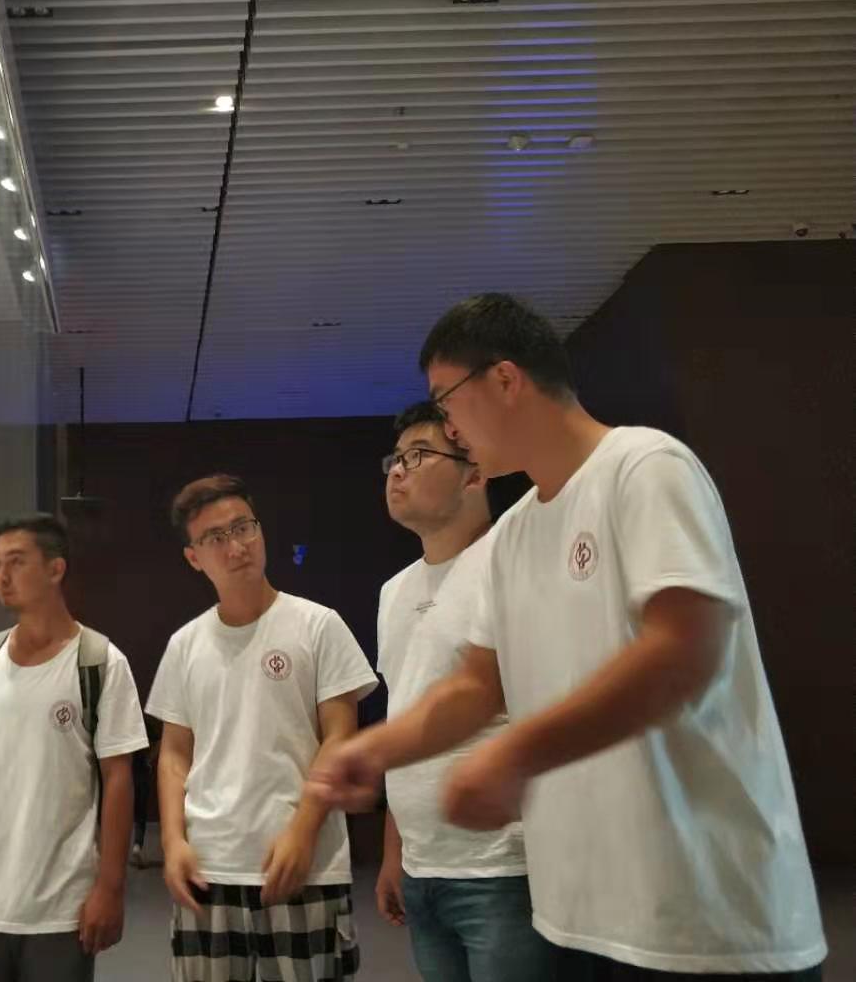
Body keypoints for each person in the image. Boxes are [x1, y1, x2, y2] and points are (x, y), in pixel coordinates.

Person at [310, 294, 827, 980]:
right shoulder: (515, 532)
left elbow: (683, 651)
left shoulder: (643, 466)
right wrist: (375, 750)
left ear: (504, 379)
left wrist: (513, 754)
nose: (450, 428)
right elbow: (474, 685)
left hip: (706, 919)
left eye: (447, 400)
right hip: (582, 915)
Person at [147, 474, 378, 982]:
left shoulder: (318, 625)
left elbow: (340, 738)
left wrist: (302, 830)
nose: (236, 547)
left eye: (243, 527)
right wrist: (173, 842)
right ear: (193, 557)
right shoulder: (185, 645)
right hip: (208, 867)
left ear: (261, 530)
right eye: (215, 537)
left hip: (303, 864)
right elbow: (174, 753)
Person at [0, 514, 148, 982]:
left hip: (59, 909)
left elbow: (118, 780)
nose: (2, 576)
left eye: (17, 562)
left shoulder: (99, 662)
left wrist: (110, 887)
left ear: (55, 569)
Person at [376, 401, 555, 982]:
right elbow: (404, 721)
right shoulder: (393, 591)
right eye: (394, 459)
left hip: (504, 867)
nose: (397, 472)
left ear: (474, 473)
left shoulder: (510, 559)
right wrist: (394, 852)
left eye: (418, 455)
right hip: (422, 866)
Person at [130, 716, 162, 869]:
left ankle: (118, 850)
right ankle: (137, 845)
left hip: (126, 772)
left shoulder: (124, 724)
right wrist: (149, 758)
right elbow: (158, 741)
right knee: (140, 814)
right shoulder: (145, 724)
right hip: (142, 770)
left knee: (123, 813)